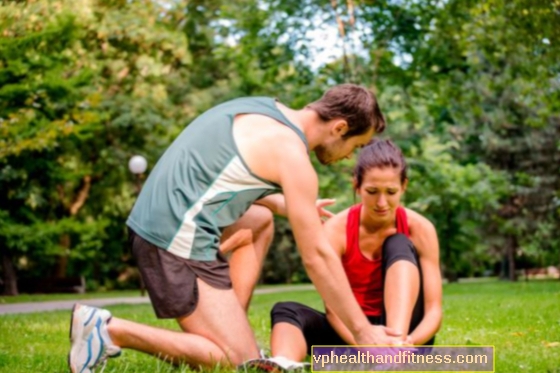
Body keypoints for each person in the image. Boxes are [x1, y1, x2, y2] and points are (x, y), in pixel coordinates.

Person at [68, 84, 391, 373]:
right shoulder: (292, 155)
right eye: (356, 146)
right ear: (340, 127)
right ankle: (107, 329)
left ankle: (231, 329)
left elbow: (215, 172)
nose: (349, 157)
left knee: (260, 221)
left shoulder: (264, 108)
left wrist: (279, 204)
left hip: (159, 219)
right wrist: (363, 333)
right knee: (236, 364)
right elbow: (317, 258)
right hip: (171, 237)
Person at [262, 139, 442, 370]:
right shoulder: (336, 231)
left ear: (404, 186)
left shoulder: (420, 228)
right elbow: (333, 311)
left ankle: (393, 355)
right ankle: (283, 364)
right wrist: (366, 346)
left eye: (391, 192)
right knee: (285, 310)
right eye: (372, 191)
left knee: (397, 242)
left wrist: (406, 343)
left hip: (407, 338)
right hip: (353, 334)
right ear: (356, 185)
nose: (381, 202)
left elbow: (434, 309)